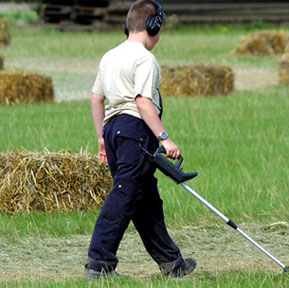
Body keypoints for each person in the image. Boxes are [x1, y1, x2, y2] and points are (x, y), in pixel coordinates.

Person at [85, 0, 196, 279]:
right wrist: (165, 138)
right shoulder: (145, 59)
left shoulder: (109, 56)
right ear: (154, 26)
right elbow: (143, 101)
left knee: (145, 200)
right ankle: (99, 265)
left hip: (113, 131)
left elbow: (97, 98)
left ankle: (172, 264)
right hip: (134, 130)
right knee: (123, 195)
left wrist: (101, 138)